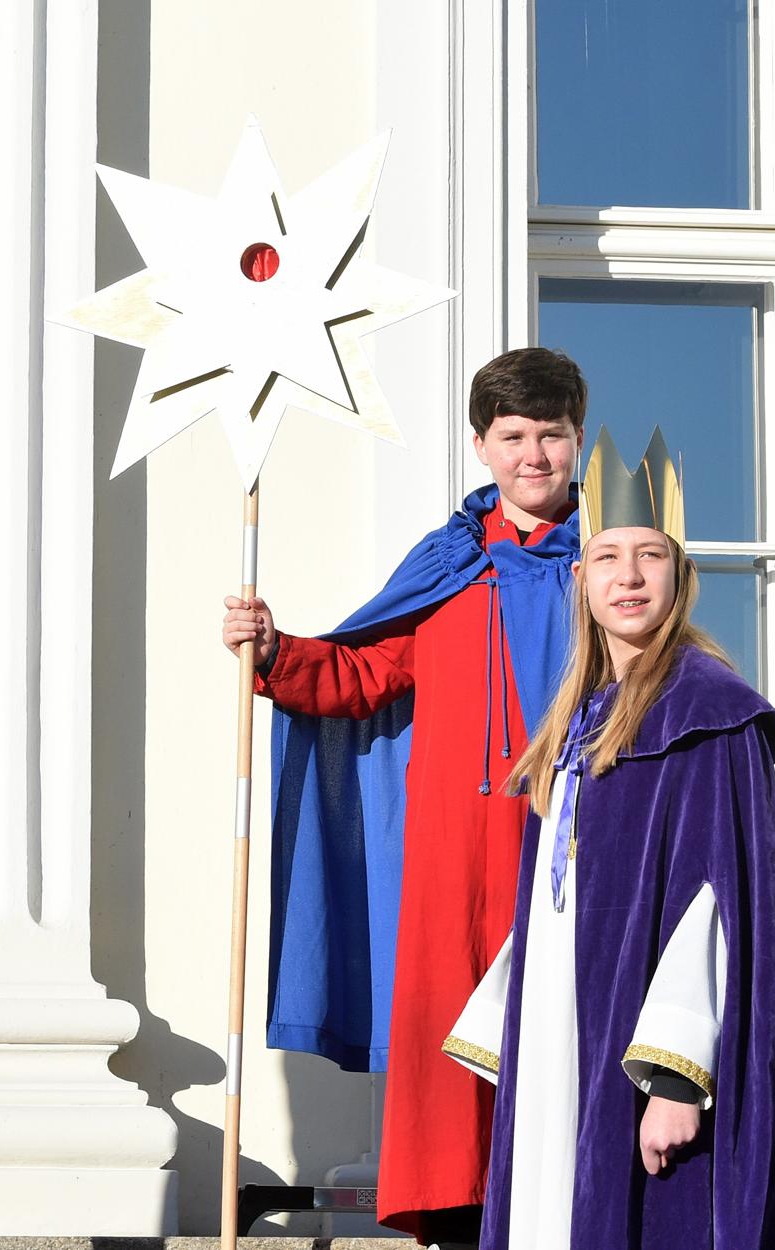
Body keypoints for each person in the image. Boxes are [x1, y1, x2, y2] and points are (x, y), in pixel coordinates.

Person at [220, 347, 585, 1241]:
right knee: (454, 1038)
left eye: (550, 435)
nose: (533, 456)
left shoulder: (611, 561)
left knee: (569, 1031)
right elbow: (362, 675)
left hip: (572, 842)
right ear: (481, 445)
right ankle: (462, 1218)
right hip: (454, 848)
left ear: (578, 439)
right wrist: (275, 650)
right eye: (513, 437)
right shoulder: (449, 562)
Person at [445, 431, 775, 1249]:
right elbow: (561, 897)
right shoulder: (578, 720)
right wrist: (513, 1011)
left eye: (650, 556)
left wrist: (675, 1079)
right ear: (581, 579)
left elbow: (722, 910)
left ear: (680, 576)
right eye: (607, 558)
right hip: (566, 1039)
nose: (627, 577)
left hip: (645, 1056)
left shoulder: (709, 713)